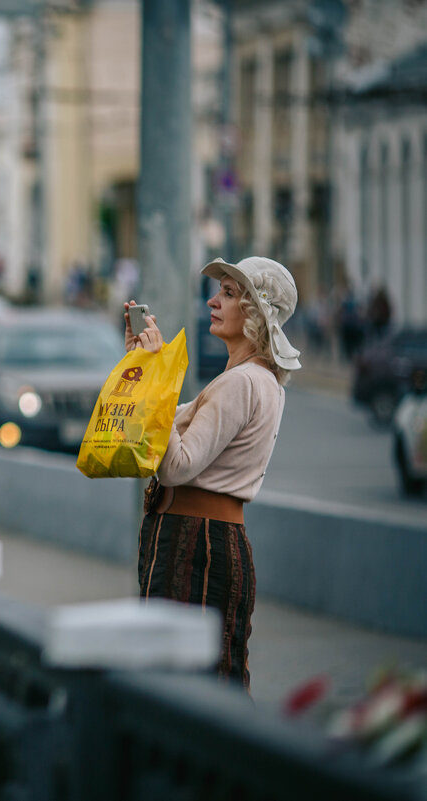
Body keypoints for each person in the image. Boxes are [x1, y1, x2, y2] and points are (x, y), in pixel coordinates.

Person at [124, 256, 302, 692]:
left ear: (256, 313)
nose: (211, 301)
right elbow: (171, 420)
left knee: (188, 684)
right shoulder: (253, 380)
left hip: (196, 542)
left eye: (228, 293)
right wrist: (147, 368)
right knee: (210, 676)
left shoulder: (241, 383)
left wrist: (155, 380)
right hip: (204, 537)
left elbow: (178, 464)